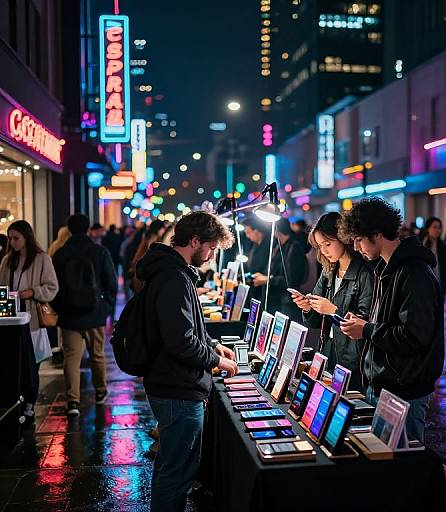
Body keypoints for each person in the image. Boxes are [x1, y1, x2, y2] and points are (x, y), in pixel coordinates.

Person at [135, 211, 238, 512]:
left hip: (172, 383)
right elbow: (181, 341)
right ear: (195, 241)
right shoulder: (174, 277)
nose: (211, 255)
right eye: (211, 247)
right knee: (176, 472)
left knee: (173, 467)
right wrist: (216, 360)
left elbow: (187, 329)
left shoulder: (173, 272)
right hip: (176, 387)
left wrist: (214, 345)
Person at [339, 198, 444, 443]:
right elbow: (389, 322)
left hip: (404, 390)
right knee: (387, 465)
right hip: (385, 386)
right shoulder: (387, 269)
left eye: (359, 239)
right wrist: (365, 323)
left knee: (405, 469)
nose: (356, 247)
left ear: (377, 234)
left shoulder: (414, 272)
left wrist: (366, 330)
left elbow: (413, 336)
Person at [291, 213, 374, 391]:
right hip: (327, 349)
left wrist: (333, 310)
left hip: (352, 356)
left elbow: (365, 321)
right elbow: (314, 321)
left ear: (343, 238)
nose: (324, 251)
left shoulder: (365, 272)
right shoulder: (328, 272)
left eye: (327, 244)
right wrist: (307, 307)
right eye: (320, 246)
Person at [52, 214, 117, 417]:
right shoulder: (99, 252)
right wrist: (106, 308)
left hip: (69, 315)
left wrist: (60, 307)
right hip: (94, 313)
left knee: (71, 357)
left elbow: (54, 287)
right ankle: (100, 392)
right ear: (88, 228)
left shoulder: (61, 254)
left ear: (69, 230)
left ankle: (73, 401)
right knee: (97, 354)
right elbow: (111, 283)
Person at [0, 220, 59, 425]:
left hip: (32, 318)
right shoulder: (8, 261)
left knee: (32, 364)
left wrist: (33, 292)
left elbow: (52, 287)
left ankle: (29, 405)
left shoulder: (42, 259)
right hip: (11, 318)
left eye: (16, 238)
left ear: (26, 237)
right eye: (10, 238)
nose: (13, 242)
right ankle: (18, 402)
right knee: (15, 363)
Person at [253, 217, 307, 322]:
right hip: (276, 301)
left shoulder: (294, 247)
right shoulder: (280, 246)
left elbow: (291, 280)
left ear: (278, 230)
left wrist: (267, 279)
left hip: (286, 304)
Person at [422, 217, 446, 299]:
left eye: (439, 227)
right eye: (434, 227)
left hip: (440, 283)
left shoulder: (444, 246)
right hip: (423, 285)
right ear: (428, 229)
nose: (438, 230)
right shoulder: (421, 244)